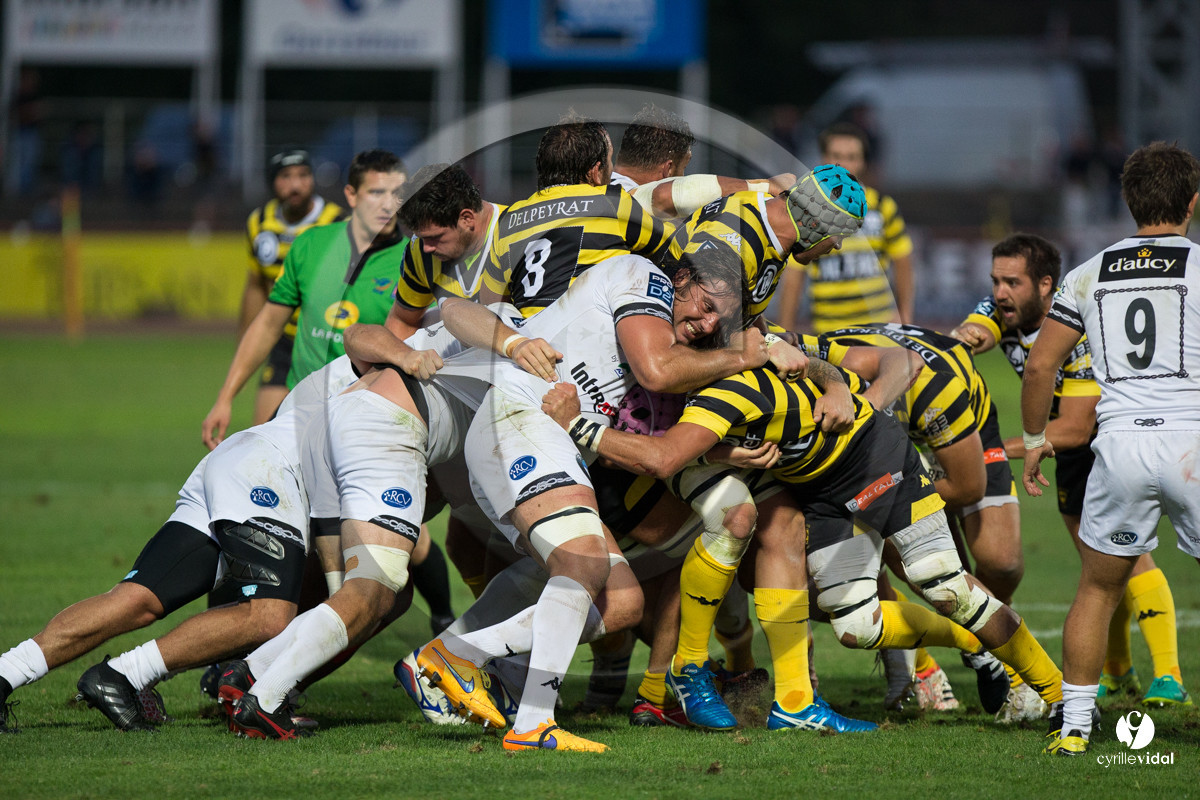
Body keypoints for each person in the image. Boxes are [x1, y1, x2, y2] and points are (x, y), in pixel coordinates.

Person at [541, 320, 1068, 734]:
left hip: (878, 460)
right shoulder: (718, 385)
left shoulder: (732, 384)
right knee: (856, 627)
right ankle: (967, 647)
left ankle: (1059, 695)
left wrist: (577, 425)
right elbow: (680, 447)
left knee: (944, 582)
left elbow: (662, 457)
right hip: (823, 495)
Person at [414, 250, 776, 752]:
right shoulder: (641, 278)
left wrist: (724, 448)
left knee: (623, 602)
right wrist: (745, 355)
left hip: (551, 442)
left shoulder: (679, 350)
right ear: (682, 278)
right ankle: (525, 714)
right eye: (705, 304)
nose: (706, 321)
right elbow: (654, 372)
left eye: (720, 317)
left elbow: (651, 441)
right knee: (581, 565)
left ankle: (459, 655)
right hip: (523, 420)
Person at [954, 233, 1188, 711]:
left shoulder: (1075, 329)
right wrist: (964, 340)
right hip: (1074, 447)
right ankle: (1118, 669)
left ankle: (1169, 674)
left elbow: (1077, 427)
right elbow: (971, 333)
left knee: (1131, 558)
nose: (1000, 292)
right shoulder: (1001, 309)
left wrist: (993, 452)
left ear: (1045, 286)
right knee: (1100, 565)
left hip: (1113, 440)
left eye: (1012, 282)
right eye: (995, 280)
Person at [1020, 141, 1200, 756]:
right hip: (1190, 443)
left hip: (1119, 445)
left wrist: (1036, 438)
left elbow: (1041, 364)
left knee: (1097, 589)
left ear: (1127, 202)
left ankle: (1073, 730)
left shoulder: (1087, 273)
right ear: (1193, 203)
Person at [0, 405, 321, 733]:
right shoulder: (366, 383)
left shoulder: (347, 377)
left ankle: (5, 672)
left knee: (135, 600)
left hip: (236, 457)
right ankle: (124, 675)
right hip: (268, 473)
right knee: (272, 615)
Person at [201, 149, 410, 451]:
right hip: (299, 410)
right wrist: (225, 398)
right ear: (351, 195)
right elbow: (269, 324)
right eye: (377, 193)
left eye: (396, 194)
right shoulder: (310, 245)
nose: (388, 204)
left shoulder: (415, 261)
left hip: (366, 417)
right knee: (251, 472)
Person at [482, 114, 673, 318]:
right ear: (595, 172)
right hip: (590, 339)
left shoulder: (508, 220)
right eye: (609, 162)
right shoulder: (611, 202)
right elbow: (675, 246)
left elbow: (490, 305)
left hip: (530, 343)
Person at [775, 122, 915, 333]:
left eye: (852, 157)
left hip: (881, 329)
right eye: (835, 155)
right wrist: (785, 334)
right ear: (823, 159)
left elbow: (903, 263)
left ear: (863, 162)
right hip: (829, 333)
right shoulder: (805, 212)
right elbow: (793, 278)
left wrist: (905, 317)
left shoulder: (883, 207)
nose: (843, 164)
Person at [239, 148, 344, 426]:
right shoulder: (259, 223)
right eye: (286, 176)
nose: (296, 184)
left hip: (327, 343)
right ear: (273, 182)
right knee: (262, 435)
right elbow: (256, 285)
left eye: (303, 175)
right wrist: (247, 347)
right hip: (284, 341)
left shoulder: (338, 223)